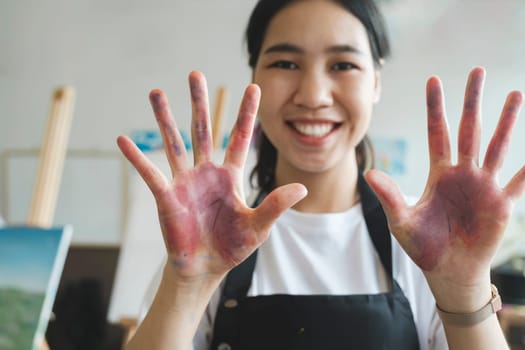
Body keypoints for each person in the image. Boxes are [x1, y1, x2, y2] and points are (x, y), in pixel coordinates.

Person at [116, 0, 524, 349]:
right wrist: (186, 288)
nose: (313, 95)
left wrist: (464, 291)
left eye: (343, 63)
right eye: (285, 62)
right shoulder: (211, 246)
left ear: (376, 82)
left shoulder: (422, 247)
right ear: (254, 75)